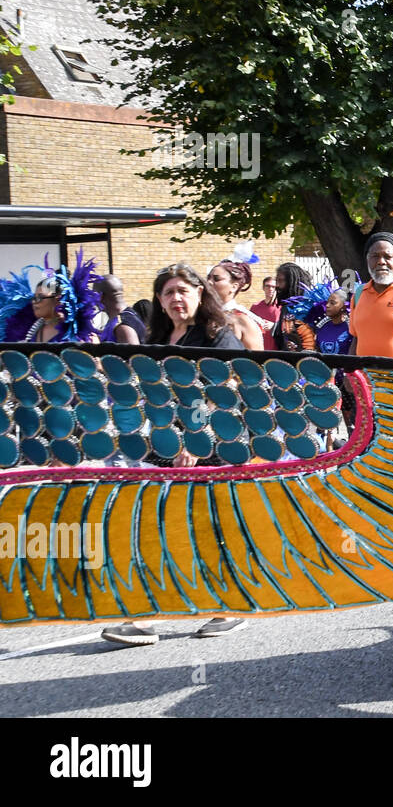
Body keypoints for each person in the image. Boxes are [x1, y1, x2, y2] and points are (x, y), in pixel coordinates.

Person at [101, 262, 245, 647]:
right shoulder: (161, 339)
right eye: (168, 292)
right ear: (159, 301)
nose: (176, 298)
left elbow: (223, 398)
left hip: (209, 450)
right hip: (166, 450)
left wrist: (194, 443)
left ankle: (229, 606)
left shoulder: (218, 338)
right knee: (159, 527)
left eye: (183, 290)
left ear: (200, 293)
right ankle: (147, 618)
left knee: (205, 528)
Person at [0, 251, 101, 343]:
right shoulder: (33, 328)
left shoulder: (83, 336)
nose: (34, 302)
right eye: (33, 298)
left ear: (59, 300)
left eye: (40, 298)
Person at [208, 259, 268, 350]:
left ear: (234, 287)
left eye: (216, 279)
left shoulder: (243, 320)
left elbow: (256, 360)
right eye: (208, 277)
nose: (209, 282)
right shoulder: (202, 315)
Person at [272, 262, 317, 352]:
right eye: (276, 281)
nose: (277, 285)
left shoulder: (309, 305)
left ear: (291, 282)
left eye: (280, 281)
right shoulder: (286, 307)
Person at [93, 275, 146, 345]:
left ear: (100, 296)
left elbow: (134, 355)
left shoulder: (122, 327)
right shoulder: (130, 314)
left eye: (93, 295)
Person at [250, 276, 280, 350]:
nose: (270, 289)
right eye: (267, 286)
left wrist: (274, 326)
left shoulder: (282, 307)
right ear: (263, 288)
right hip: (259, 348)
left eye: (273, 287)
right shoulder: (255, 307)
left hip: (278, 349)